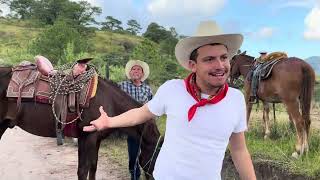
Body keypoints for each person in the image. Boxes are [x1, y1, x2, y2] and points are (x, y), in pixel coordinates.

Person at [83, 20, 256, 180]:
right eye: (209, 59)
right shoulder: (172, 89)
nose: (220, 65)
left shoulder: (235, 99)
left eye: (224, 57)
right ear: (192, 65)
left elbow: (239, 149)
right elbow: (141, 113)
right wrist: (109, 121)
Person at [118, 60, 153, 180]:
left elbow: (152, 105)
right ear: (130, 72)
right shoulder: (122, 85)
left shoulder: (147, 89)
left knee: (148, 151)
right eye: (133, 69)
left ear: (142, 74)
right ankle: (134, 174)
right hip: (131, 125)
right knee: (133, 153)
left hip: (145, 125)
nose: (136, 71)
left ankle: (148, 172)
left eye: (138, 69)